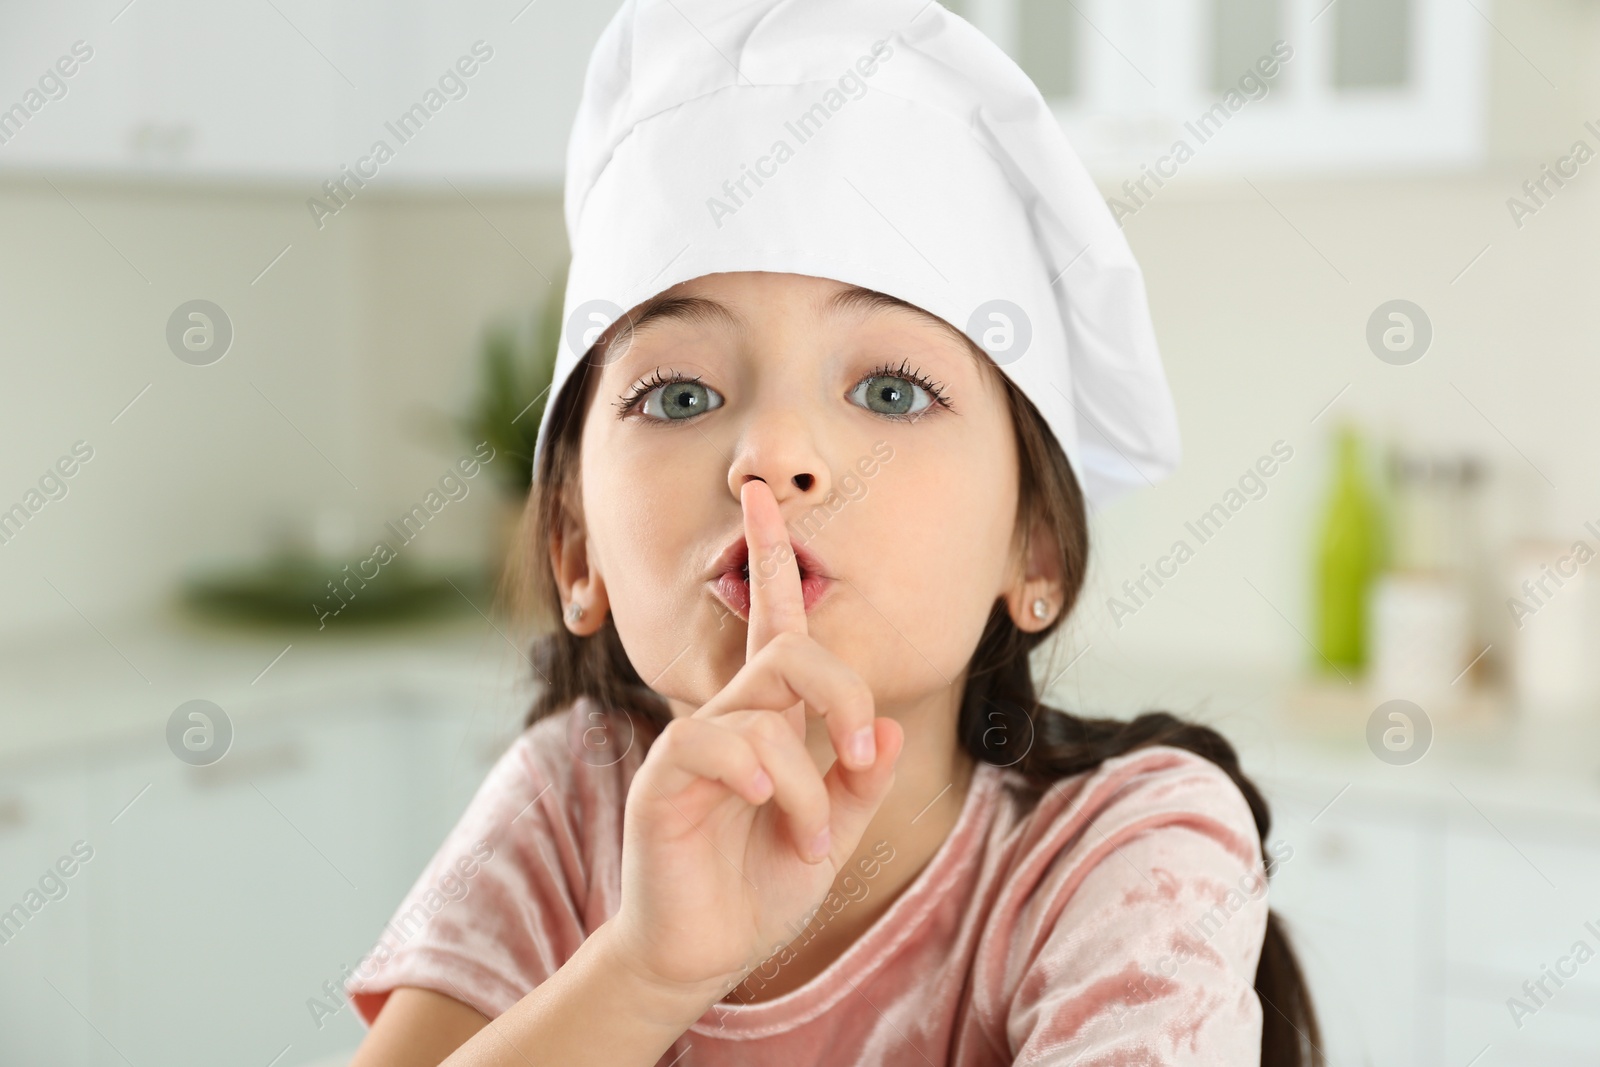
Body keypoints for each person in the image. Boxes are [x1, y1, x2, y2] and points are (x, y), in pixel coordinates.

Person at [344, 2, 1322, 1065]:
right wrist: (646, 970)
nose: (771, 452)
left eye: (893, 390)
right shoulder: (567, 795)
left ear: (1033, 548)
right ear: (575, 550)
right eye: (678, 395)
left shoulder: (1125, 850)